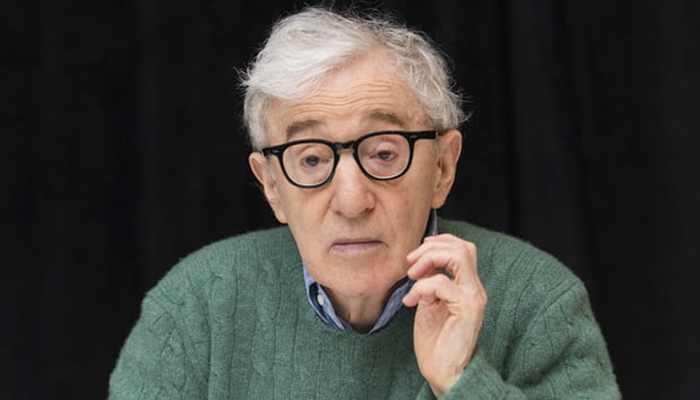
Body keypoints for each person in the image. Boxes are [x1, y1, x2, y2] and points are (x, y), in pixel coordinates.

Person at [109, 7, 620, 399]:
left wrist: (462, 382)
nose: (351, 201)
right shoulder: (193, 310)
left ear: (443, 167)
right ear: (271, 187)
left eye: (383, 153)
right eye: (311, 160)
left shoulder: (539, 303)